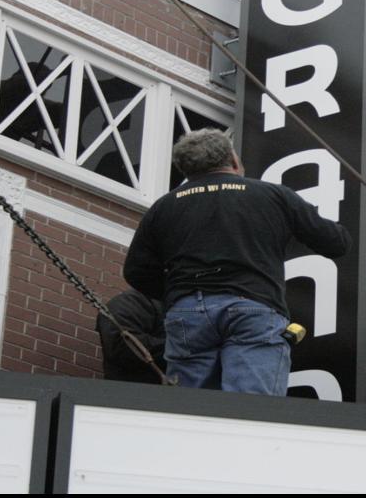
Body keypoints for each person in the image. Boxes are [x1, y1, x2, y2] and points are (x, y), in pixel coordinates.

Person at [123, 129, 349, 396]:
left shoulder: (164, 206)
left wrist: (178, 292)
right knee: (250, 406)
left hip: (188, 312)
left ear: (186, 170)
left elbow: (136, 271)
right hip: (253, 308)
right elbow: (336, 242)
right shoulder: (271, 195)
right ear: (232, 159)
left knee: (187, 408)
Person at [95, 289, 167, 385]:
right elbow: (122, 347)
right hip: (133, 388)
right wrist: (180, 348)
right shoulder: (130, 302)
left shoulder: (178, 304)